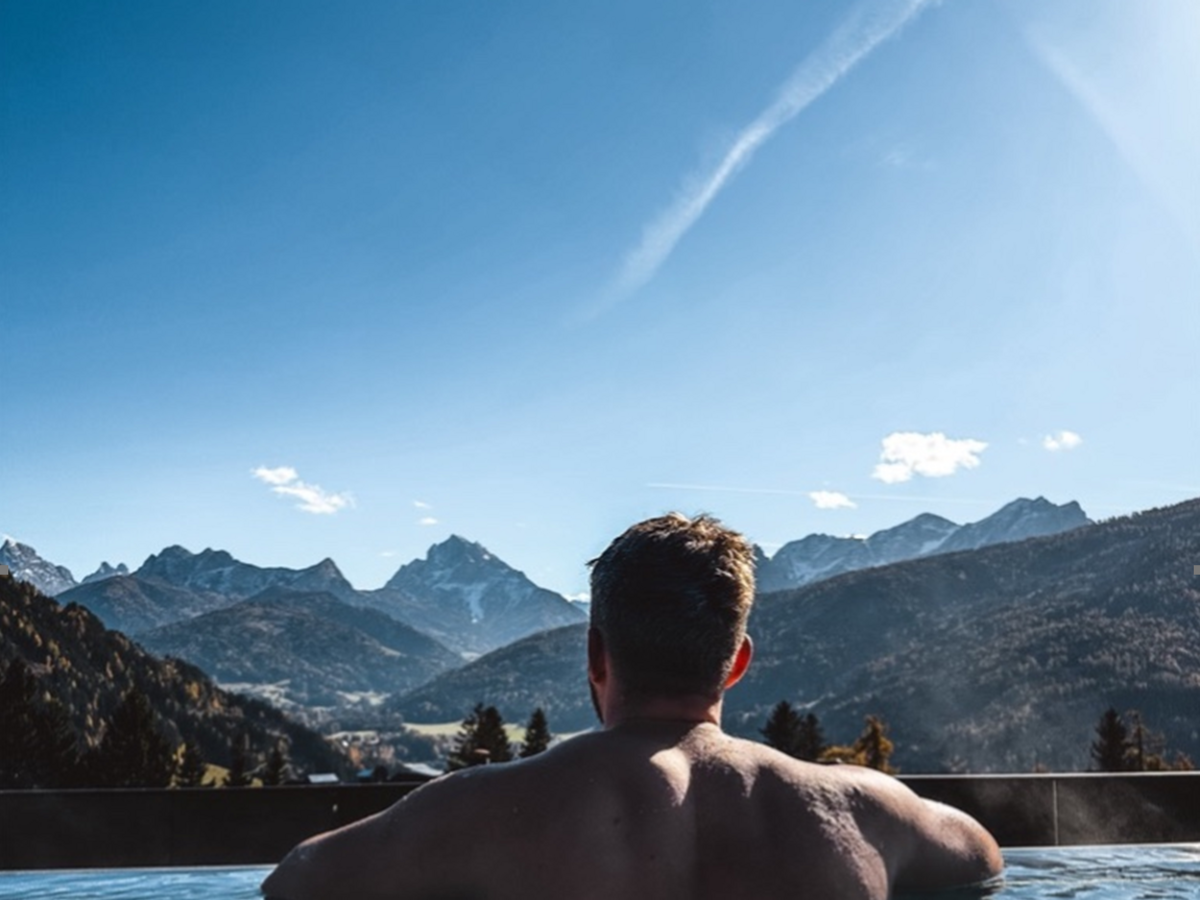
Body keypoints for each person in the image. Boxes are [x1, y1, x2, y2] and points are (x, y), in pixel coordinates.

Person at [263, 513, 1002, 899]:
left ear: (595, 655)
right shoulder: (863, 811)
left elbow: (295, 880)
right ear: (738, 662)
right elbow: (982, 857)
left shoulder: (481, 811)